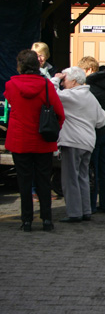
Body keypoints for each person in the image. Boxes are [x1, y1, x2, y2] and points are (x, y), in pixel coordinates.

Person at [4, 50, 65, 231]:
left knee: (24, 182)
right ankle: (46, 219)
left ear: (20, 66)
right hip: (42, 140)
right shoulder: (46, 86)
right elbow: (60, 114)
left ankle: (27, 220)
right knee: (43, 181)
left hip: (20, 139)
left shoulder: (11, 85)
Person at [51, 67, 105, 223]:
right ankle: (86, 209)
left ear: (73, 81)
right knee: (83, 176)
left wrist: (55, 78)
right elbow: (101, 120)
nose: (63, 83)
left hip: (72, 140)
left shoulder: (69, 95)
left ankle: (75, 212)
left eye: (65, 79)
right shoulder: (91, 97)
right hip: (88, 141)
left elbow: (50, 94)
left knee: (70, 178)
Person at [77, 56, 105, 214]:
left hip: (95, 131)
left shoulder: (91, 88)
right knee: (104, 168)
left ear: (89, 70)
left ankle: (91, 205)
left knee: (91, 169)